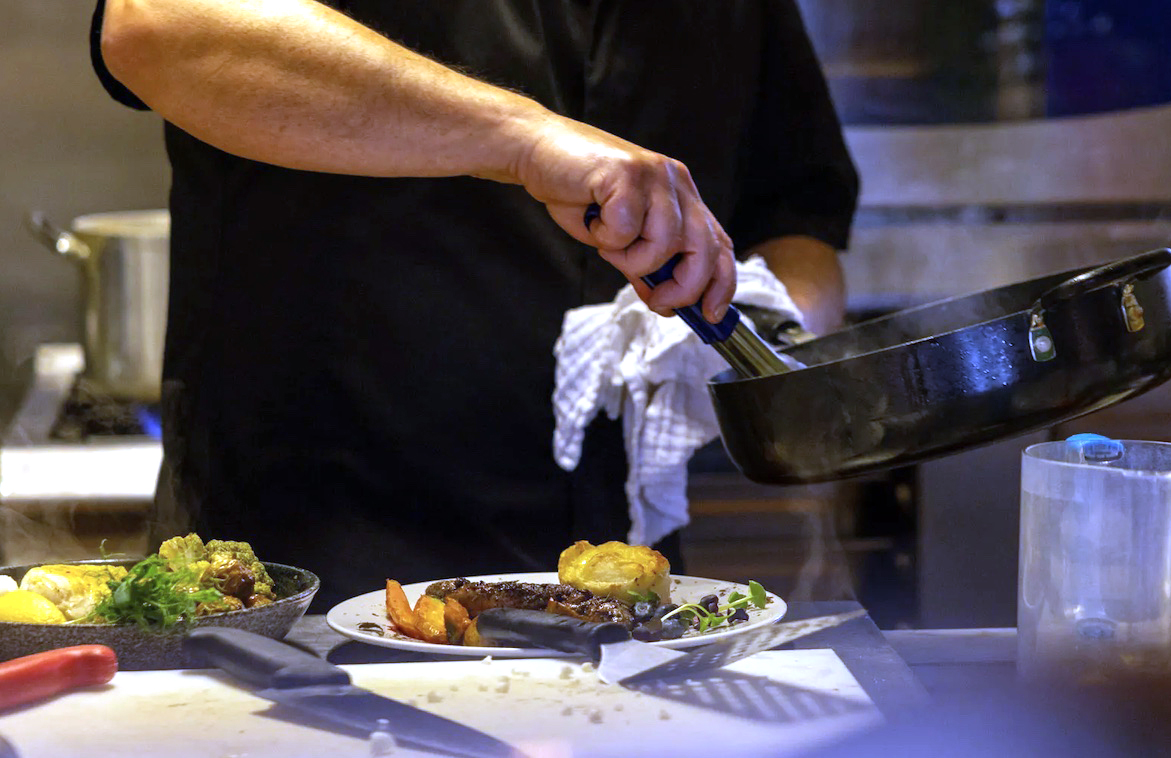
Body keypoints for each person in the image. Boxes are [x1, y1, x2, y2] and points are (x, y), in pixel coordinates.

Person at [90, 0, 858, 610]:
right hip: (300, 586)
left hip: (617, 595)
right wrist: (524, 138)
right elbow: (155, 24)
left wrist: (777, 354)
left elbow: (796, 217)